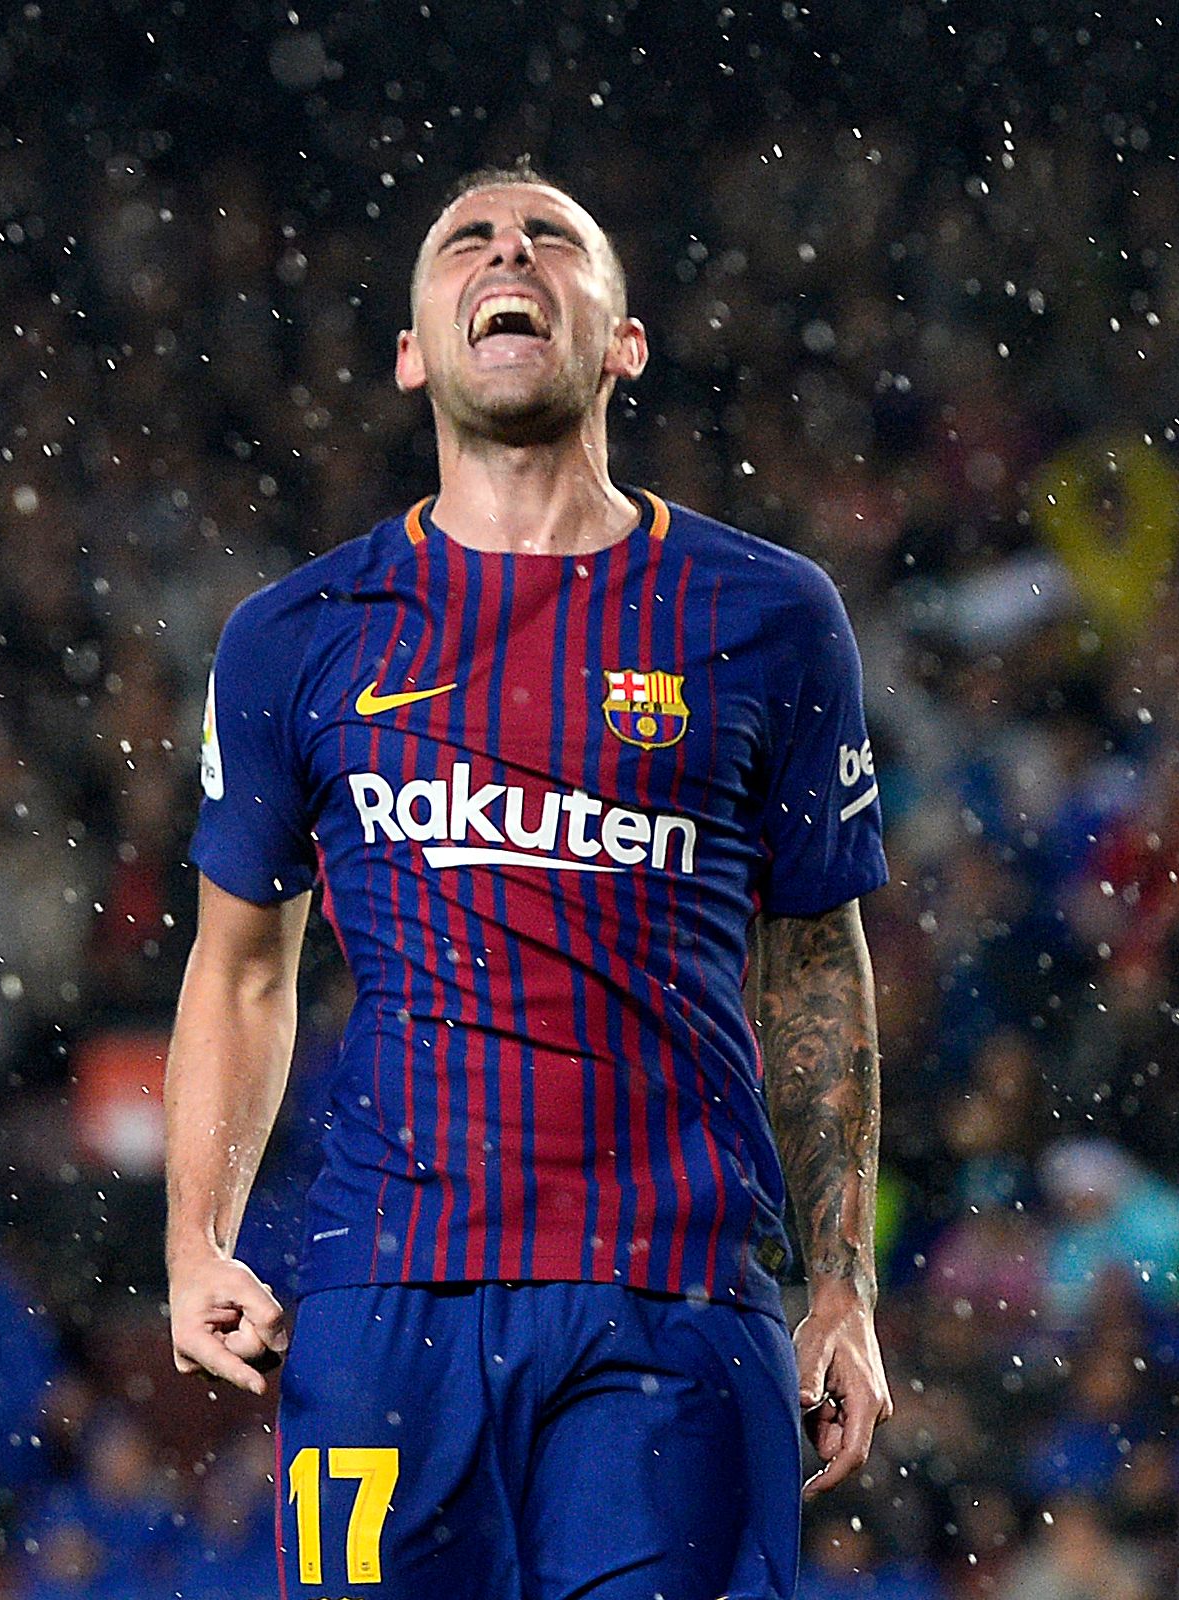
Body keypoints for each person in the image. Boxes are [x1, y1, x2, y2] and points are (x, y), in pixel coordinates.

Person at [165, 162, 893, 1599]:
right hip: (384, 1302)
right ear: (412, 349)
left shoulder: (768, 615)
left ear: (622, 338)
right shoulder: (294, 634)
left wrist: (844, 1286)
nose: (511, 251)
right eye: (469, 241)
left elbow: (816, 963)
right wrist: (195, 1242)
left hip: (674, 1304)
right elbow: (245, 965)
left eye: (553, 236)